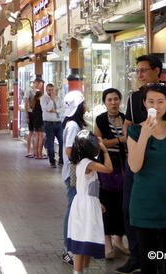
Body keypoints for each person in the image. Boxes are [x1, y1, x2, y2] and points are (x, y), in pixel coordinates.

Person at [117, 55, 166, 274]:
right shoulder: (134, 99)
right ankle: (136, 257)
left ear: (157, 71)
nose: (139, 74)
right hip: (142, 183)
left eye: (143, 70)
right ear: (144, 103)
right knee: (143, 244)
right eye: (137, 70)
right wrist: (142, 137)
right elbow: (129, 131)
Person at [66, 130, 113, 273]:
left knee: (86, 239)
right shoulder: (88, 163)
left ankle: (83, 271)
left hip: (85, 203)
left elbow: (91, 185)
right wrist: (105, 152)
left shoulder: (82, 162)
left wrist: (97, 201)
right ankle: (78, 271)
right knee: (82, 240)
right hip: (85, 206)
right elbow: (109, 169)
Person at [94, 88, 128, 259]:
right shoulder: (100, 120)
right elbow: (99, 143)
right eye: (110, 100)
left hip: (124, 165)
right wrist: (120, 140)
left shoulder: (125, 118)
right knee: (107, 204)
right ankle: (107, 243)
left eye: (116, 99)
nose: (113, 102)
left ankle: (119, 240)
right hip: (107, 166)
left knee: (123, 203)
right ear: (105, 102)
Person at [60, 90, 86, 267]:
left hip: (73, 172)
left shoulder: (72, 124)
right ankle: (68, 249)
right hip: (73, 173)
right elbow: (70, 151)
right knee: (72, 209)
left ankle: (72, 246)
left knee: (74, 209)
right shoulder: (73, 126)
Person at [42, 83, 63, 167]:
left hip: (58, 123)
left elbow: (63, 109)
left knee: (62, 142)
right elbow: (47, 108)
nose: (51, 92)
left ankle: (61, 160)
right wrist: (51, 100)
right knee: (50, 143)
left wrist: (55, 111)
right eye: (49, 90)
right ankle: (52, 161)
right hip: (48, 124)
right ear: (46, 90)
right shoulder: (43, 99)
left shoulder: (59, 99)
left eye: (52, 90)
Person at [24, 78, 44, 158]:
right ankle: (29, 151)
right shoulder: (28, 90)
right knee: (31, 132)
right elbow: (26, 103)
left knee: (35, 133)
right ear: (36, 83)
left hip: (36, 114)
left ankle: (34, 151)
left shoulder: (36, 91)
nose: (41, 86)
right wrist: (27, 115)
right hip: (31, 113)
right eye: (40, 85)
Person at [30, 90, 45, 159]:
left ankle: (35, 153)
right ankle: (40, 154)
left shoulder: (34, 102)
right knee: (41, 137)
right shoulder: (40, 102)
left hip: (35, 121)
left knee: (36, 137)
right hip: (41, 120)